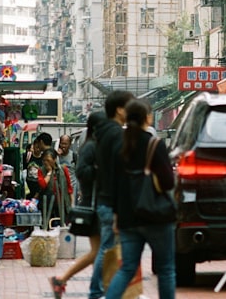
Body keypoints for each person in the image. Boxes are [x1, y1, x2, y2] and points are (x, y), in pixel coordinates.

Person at [106, 99, 176, 299]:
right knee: (166, 269)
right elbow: (168, 182)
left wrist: (116, 216)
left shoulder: (120, 145)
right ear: (147, 117)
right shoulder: (154, 144)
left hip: (128, 217)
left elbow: (114, 185)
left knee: (127, 269)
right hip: (156, 215)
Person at [51, 111, 106, 299]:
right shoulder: (91, 147)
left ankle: (62, 279)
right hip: (94, 205)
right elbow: (83, 173)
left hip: (96, 203)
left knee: (98, 252)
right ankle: (100, 289)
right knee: (101, 252)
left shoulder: (95, 146)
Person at [88, 90, 134, 299]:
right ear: (119, 109)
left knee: (107, 249)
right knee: (107, 248)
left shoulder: (104, 133)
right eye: (129, 106)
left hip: (104, 199)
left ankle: (100, 290)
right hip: (111, 202)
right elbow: (119, 172)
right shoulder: (116, 134)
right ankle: (96, 291)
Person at [38, 149, 73, 225]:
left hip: (62, 203)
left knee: (63, 225)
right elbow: (43, 184)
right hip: (47, 204)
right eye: (44, 160)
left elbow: (69, 187)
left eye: (48, 160)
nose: (46, 163)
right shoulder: (41, 170)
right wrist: (49, 172)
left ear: (54, 160)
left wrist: (72, 204)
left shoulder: (63, 169)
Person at [25, 132, 53, 201]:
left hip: (47, 192)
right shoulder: (52, 153)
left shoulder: (47, 155)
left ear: (41, 142)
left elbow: (45, 176)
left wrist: (37, 194)